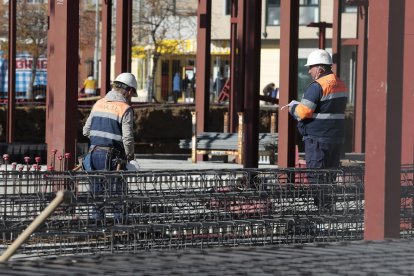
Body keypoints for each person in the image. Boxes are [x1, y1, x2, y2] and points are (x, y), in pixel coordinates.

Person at [288, 49, 348, 206]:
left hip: (317, 140)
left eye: (311, 67)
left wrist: (292, 107)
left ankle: (322, 210)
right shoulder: (340, 83)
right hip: (334, 138)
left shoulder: (317, 86)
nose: (309, 71)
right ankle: (328, 210)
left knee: (317, 177)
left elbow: (302, 113)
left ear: (320, 68)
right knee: (330, 176)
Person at [83, 72, 137, 222]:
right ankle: (120, 224)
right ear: (130, 91)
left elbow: (85, 131)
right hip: (112, 156)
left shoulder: (98, 103)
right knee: (118, 191)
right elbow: (127, 138)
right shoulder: (125, 108)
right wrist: (130, 156)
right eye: (132, 95)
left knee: (96, 192)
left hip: (93, 154)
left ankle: (96, 224)